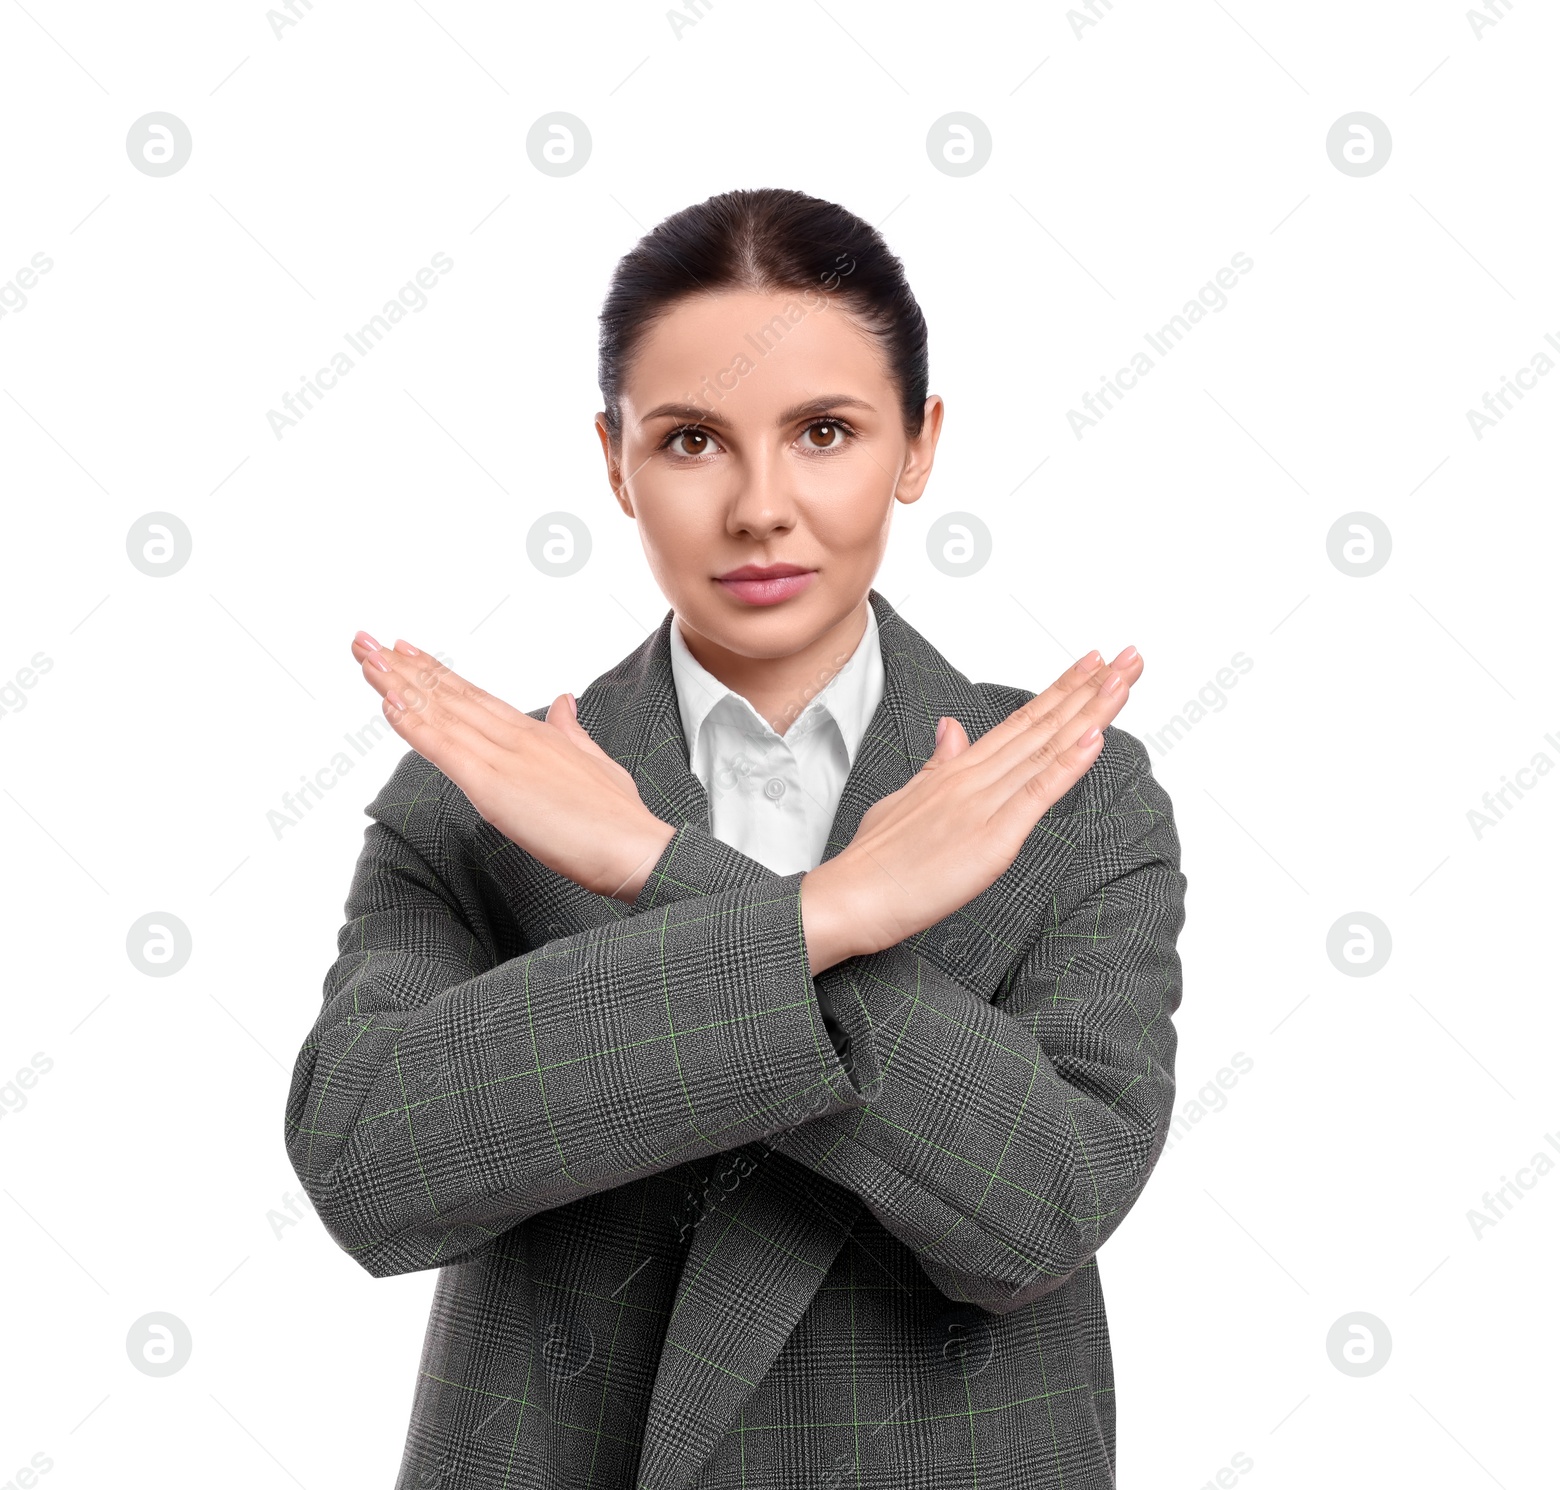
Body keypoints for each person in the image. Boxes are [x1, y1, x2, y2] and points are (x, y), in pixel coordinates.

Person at [284, 187, 1187, 1490]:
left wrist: (660, 868)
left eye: (825, 430)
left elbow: (1038, 1207)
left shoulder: (1070, 791)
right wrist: (834, 913)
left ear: (919, 445)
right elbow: (372, 1167)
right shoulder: (480, 794)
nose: (762, 506)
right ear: (615, 461)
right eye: (695, 439)